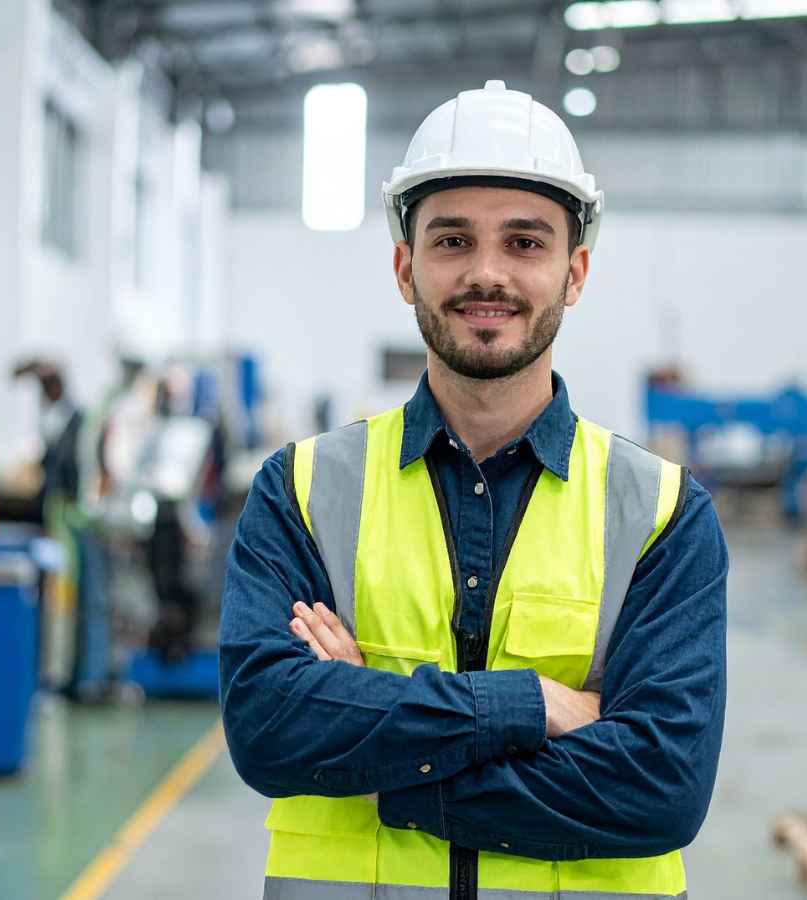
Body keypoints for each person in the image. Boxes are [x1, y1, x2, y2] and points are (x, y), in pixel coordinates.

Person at [219, 80, 728, 900]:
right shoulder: (304, 490)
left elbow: (659, 787)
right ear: (404, 266)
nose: (486, 274)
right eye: (452, 240)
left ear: (576, 272)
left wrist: (386, 763)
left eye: (525, 243)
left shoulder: (660, 513)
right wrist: (530, 705)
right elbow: (271, 732)